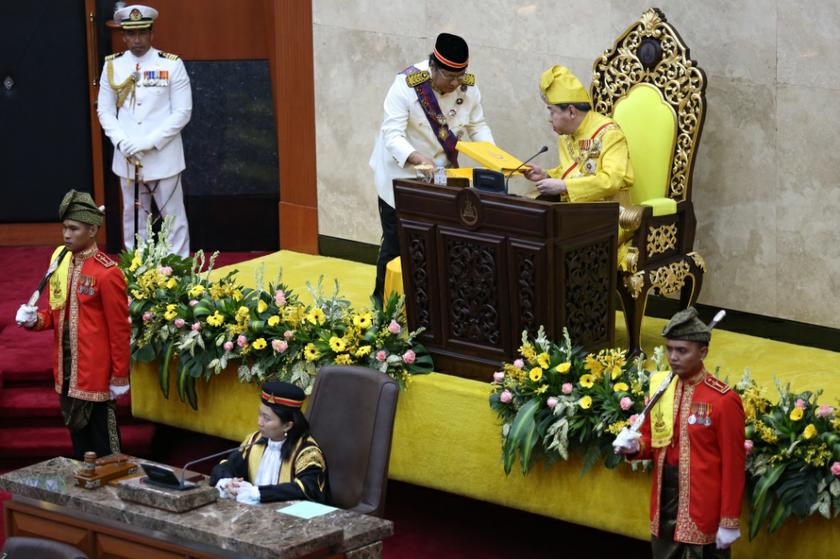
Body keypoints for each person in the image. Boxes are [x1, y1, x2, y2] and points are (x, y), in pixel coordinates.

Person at [369, 32, 495, 303]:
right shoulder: (406, 85)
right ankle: (382, 304)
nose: (456, 84)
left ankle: (434, 305)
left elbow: (477, 125)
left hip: (441, 174)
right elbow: (392, 135)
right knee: (396, 244)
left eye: (460, 77)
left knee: (441, 241)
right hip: (402, 173)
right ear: (433, 68)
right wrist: (418, 160)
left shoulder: (467, 87)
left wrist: (494, 158)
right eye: (449, 78)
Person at [612, 307, 745, 558]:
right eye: (670, 349)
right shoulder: (662, 388)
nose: (673, 357)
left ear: (703, 352)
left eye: (682, 350)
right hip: (664, 502)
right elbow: (654, 441)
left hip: (702, 508)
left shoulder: (723, 400)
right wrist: (634, 446)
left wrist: (729, 521)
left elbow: (733, 467)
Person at [15, 190, 131, 460]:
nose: (66, 234)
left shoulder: (107, 272)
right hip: (66, 373)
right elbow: (59, 316)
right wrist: (35, 320)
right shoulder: (62, 264)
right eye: (64, 228)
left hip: (96, 376)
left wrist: (119, 376)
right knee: (80, 452)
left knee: (108, 454)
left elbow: (120, 329)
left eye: (73, 228)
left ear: (92, 230)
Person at [97, 4, 192, 257]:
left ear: (151, 33)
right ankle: (137, 273)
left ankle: (178, 272)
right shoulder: (112, 66)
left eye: (142, 33)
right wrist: (121, 141)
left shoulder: (172, 65)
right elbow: (105, 111)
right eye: (131, 34)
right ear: (124, 36)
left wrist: (148, 142)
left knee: (173, 219)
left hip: (163, 156)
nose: (136, 40)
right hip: (127, 156)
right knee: (134, 218)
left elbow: (182, 112)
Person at [524, 65, 633, 203]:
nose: (550, 118)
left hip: (608, 213)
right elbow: (573, 172)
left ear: (571, 111)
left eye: (552, 111)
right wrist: (546, 175)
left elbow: (611, 180)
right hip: (574, 211)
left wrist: (564, 186)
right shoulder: (566, 136)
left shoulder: (609, 133)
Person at [209, 381, 329, 504]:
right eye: (260, 414)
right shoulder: (255, 441)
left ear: (287, 425)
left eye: (267, 418)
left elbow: (307, 490)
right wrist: (228, 482)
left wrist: (259, 493)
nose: (259, 422)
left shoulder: (307, 453)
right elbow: (228, 466)